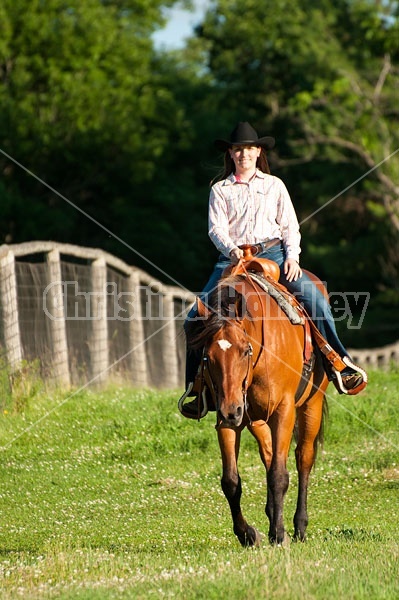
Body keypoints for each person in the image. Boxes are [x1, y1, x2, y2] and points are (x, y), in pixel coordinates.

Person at [179, 121, 365, 418]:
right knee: (194, 318)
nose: (244, 154)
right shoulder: (220, 190)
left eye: (249, 149)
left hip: (275, 254)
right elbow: (216, 229)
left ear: (258, 151)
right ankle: (195, 389)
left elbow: (290, 225)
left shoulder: (274, 185)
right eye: (238, 150)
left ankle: (339, 363)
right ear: (230, 153)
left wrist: (292, 257)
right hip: (232, 260)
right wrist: (232, 249)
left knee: (315, 300)